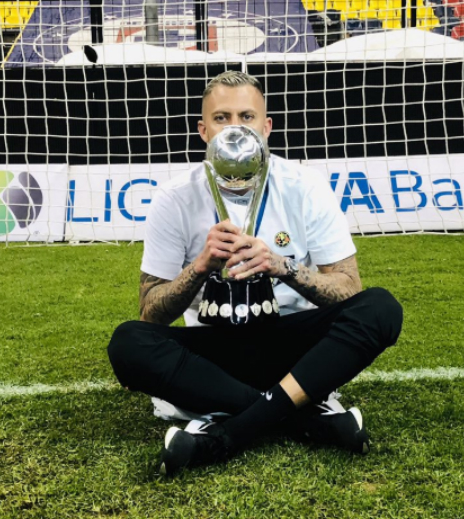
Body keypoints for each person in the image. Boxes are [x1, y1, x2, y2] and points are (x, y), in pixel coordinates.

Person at [107, 71, 403, 477]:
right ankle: (305, 419)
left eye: (246, 117)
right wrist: (199, 267)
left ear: (266, 128)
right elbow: (150, 313)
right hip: (214, 355)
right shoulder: (174, 197)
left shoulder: (305, 186)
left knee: (381, 308)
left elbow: (349, 289)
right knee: (128, 342)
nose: (235, 129)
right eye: (222, 118)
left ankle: (229, 432)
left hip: (295, 347)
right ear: (203, 130)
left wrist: (282, 266)